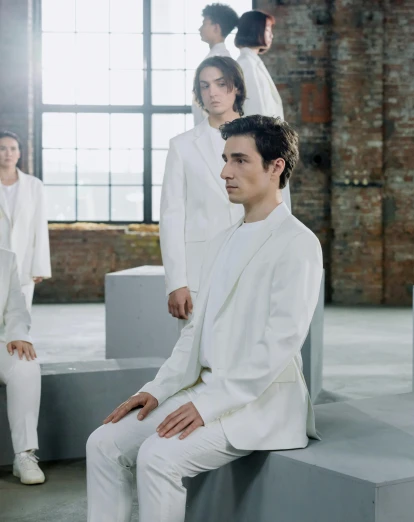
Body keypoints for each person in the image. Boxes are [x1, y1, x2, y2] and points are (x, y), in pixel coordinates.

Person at [86, 115, 322, 522]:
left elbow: (280, 343)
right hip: (201, 387)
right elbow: (193, 334)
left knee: (159, 457)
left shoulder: (299, 243)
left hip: (259, 401)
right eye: (225, 159)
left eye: (240, 160)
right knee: (103, 442)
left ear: (276, 166)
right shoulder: (220, 241)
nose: (225, 172)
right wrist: (158, 389)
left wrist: (211, 403)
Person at [160, 56, 245, 323]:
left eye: (221, 84)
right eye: (205, 86)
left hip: (254, 264)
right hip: (200, 273)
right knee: (194, 358)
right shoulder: (182, 146)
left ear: (237, 87)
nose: (213, 92)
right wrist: (176, 282)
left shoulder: (265, 139)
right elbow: (171, 216)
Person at [234, 10, 291, 209]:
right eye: (268, 29)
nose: (271, 35)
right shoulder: (246, 66)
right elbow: (254, 113)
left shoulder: (253, 63)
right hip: (261, 149)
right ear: (255, 30)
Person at [0, 248, 44, 484]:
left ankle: (24, 455)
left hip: (0, 343)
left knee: (26, 365)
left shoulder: (5, 258)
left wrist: (18, 334)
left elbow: (16, 307)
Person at [0, 130, 51, 312]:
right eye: (3, 148)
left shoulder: (33, 185)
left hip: (24, 261)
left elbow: (39, 227)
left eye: (13, 149)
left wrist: (40, 266)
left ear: (19, 153)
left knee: (18, 320)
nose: (8, 153)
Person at [192, 3, 239, 126]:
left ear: (216, 28)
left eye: (204, 23)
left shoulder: (221, 61)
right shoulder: (216, 57)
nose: (200, 29)